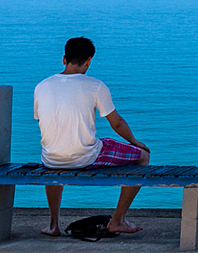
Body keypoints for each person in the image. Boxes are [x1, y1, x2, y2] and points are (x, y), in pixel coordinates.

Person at [33, 36, 151, 237]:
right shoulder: (95, 86)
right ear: (89, 61)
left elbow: (41, 120)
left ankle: (54, 225)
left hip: (50, 158)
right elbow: (117, 123)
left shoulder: (42, 86)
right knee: (143, 157)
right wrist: (136, 142)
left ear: (64, 59)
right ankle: (118, 220)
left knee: (55, 161)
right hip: (86, 156)